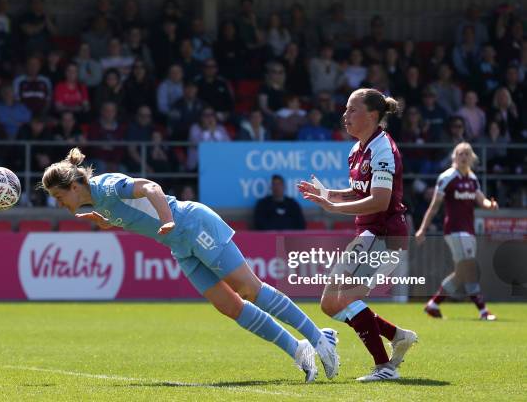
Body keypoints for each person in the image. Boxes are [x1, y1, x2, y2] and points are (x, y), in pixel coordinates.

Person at [40, 147, 340, 382]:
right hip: (180, 246)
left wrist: (168, 219)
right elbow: (132, 213)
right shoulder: (98, 200)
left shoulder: (106, 187)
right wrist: (105, 222)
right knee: (230, 306)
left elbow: (151, 189)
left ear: (74, 186)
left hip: (193, 225)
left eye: (58, 196)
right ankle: (298, 349)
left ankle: (319, 340)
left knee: (250, 289)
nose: (58, 203)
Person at [298, 88, 417, 382]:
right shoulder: (356, 150)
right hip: (368, 234)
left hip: (386, 234)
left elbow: (379, 200)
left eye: (352, 110)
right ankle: (397, 335)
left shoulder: (382, 148)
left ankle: (384, 367)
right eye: (346, 109)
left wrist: (332, 208)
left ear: (373, 116)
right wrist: (328, 194)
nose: (345, 115)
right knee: (329, 303)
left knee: (348, 297)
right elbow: (358, 192)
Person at [417, 142, 499, 321]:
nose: (463, 157)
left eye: (467, 154)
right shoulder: (447, 177)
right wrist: (423, 228)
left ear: (472, 158)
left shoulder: (472, 178)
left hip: (468, 231)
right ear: (454, 157)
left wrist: (490, 205)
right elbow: (434, 206)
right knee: (469, 269)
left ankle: (433, 304)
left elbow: (481, 200)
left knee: (461, 272)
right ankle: (483, 311)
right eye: (460, 153)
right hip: (454, 230)